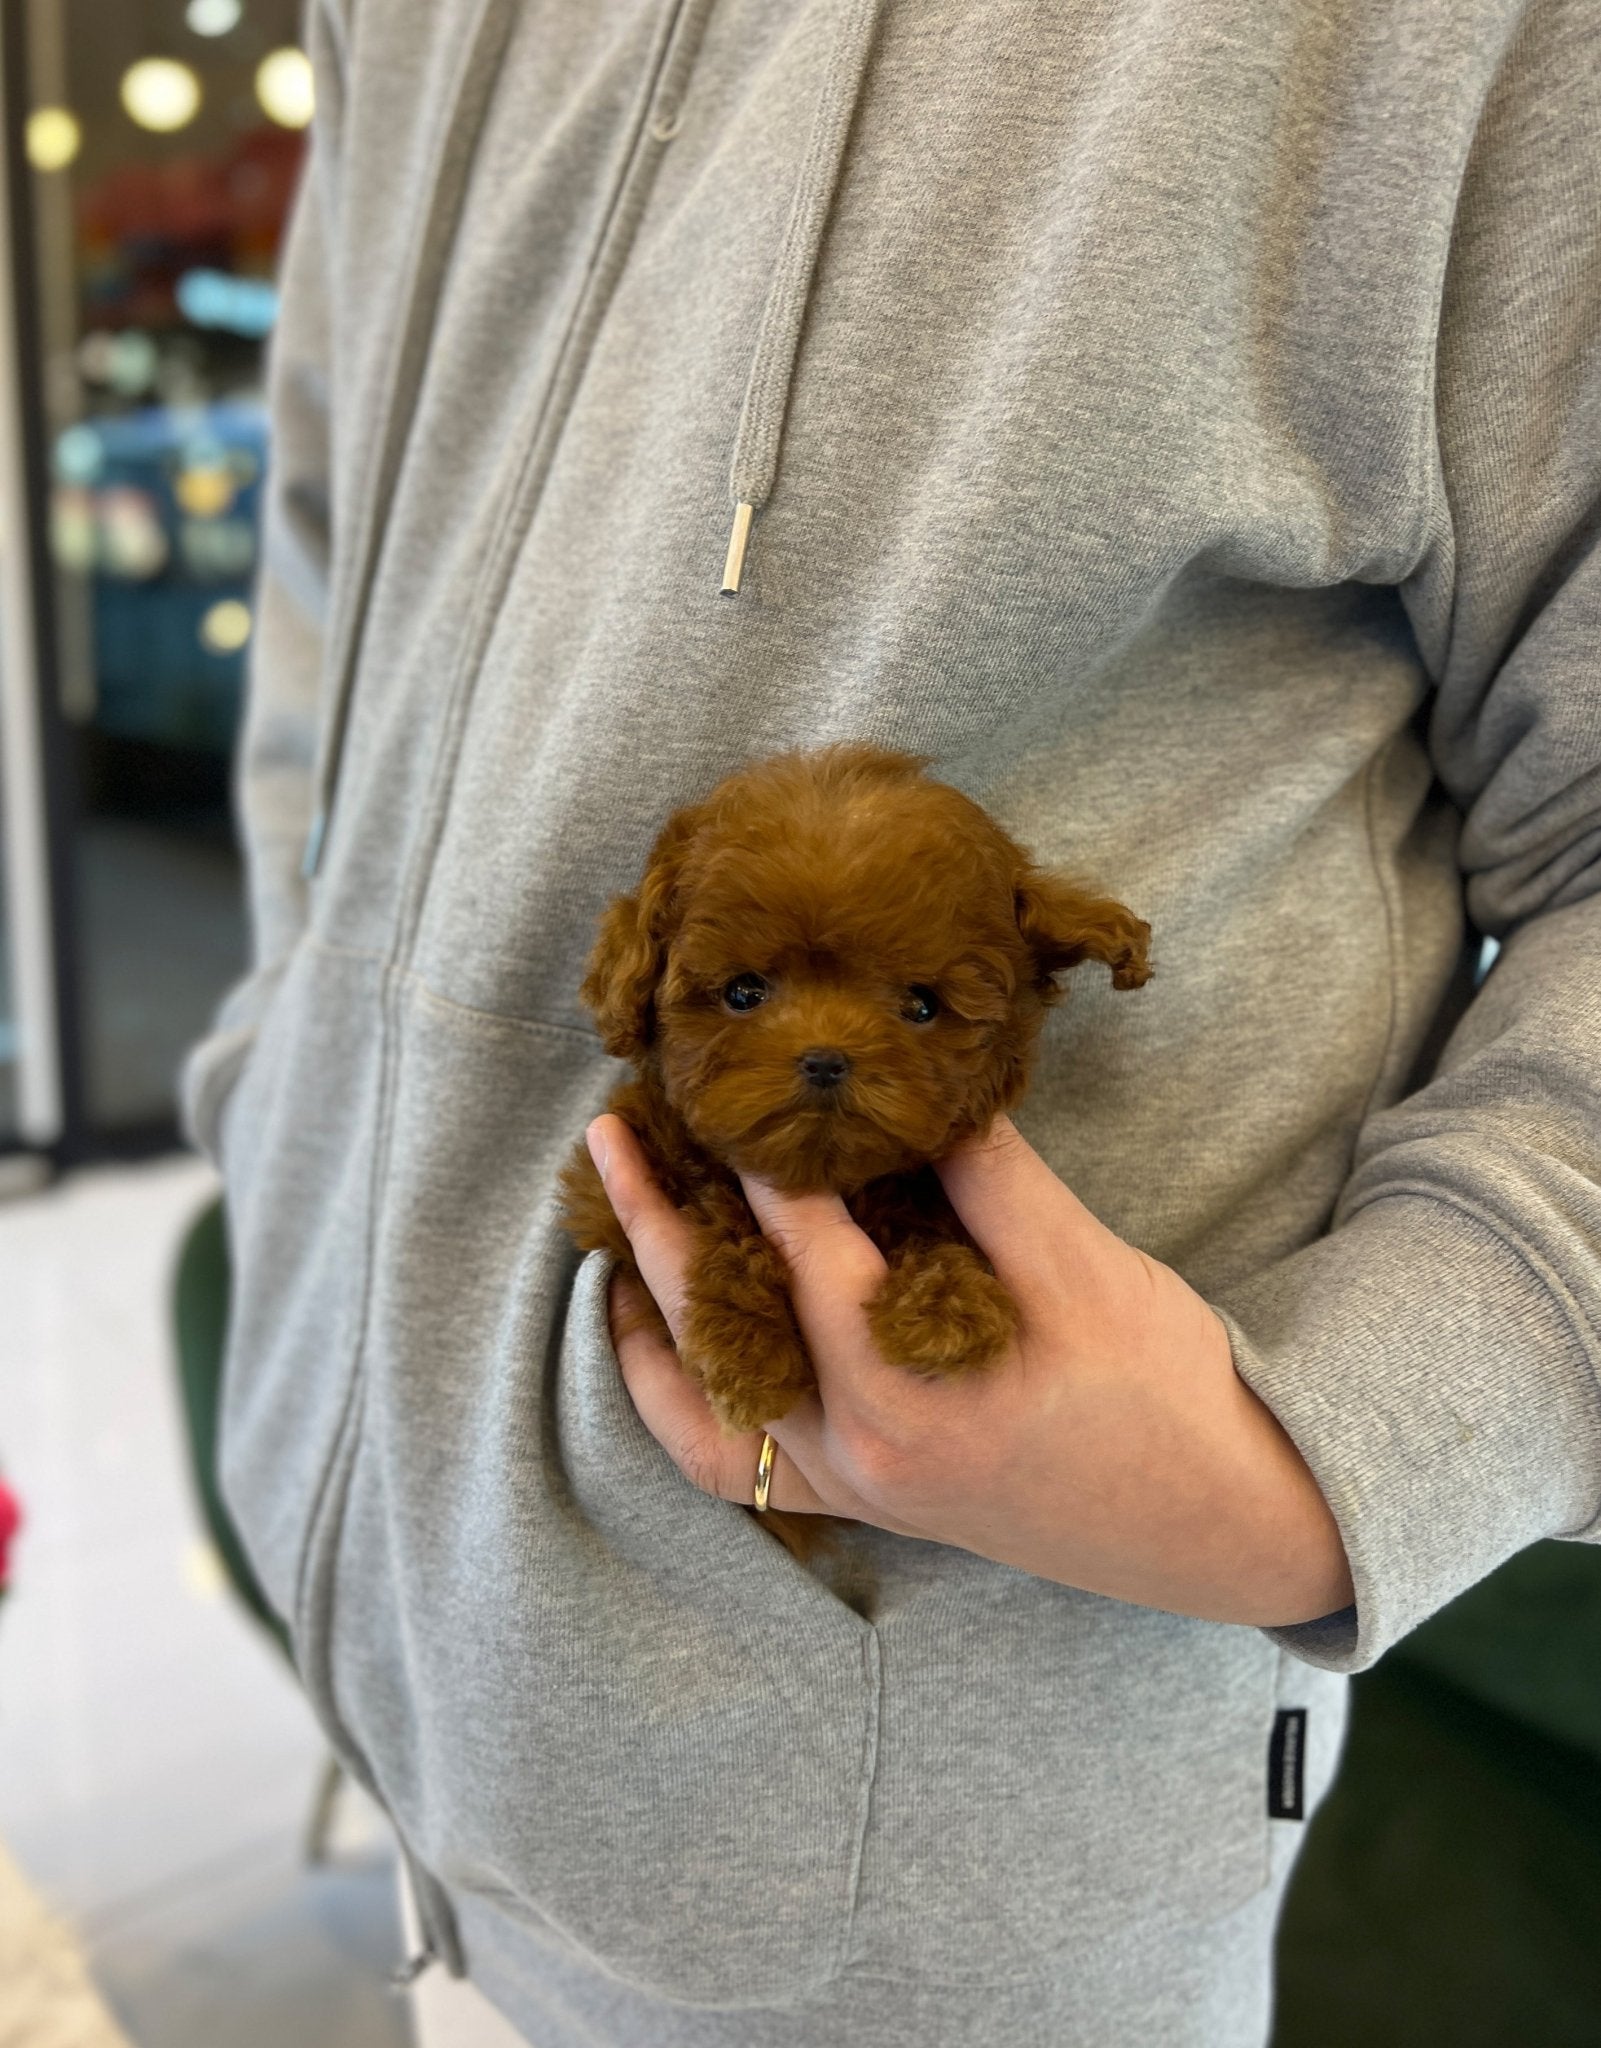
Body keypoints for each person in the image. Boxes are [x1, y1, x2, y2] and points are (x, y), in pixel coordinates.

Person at [183, 0, 1601, 2042]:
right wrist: (280, 1081)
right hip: (429, 1747)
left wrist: (1326, 1456)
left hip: (922, 1900)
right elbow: (333, 568)